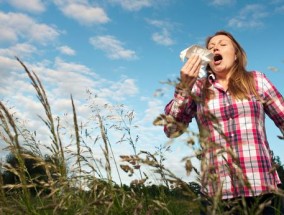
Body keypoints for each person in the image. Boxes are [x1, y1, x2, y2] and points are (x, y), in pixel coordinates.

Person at [164, 30, 284, 214]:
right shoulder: (197, 87)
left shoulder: (256, 80)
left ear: (236, 54)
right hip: (216, 193)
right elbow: (171, 129)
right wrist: (184, 87)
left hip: (261, 187)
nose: (215, 47)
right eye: (211, 47)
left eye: (222, 44)